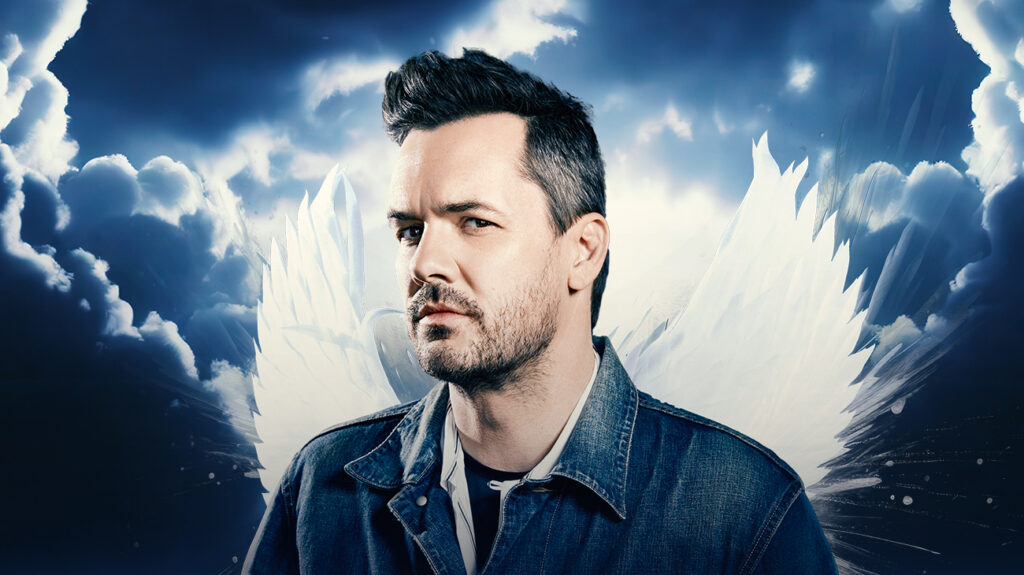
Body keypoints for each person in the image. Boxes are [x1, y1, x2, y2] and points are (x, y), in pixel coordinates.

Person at [243, 49, 838, 574]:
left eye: (474, 222)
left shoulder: (742, 509)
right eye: (409, 230)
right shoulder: (322, 491)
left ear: (582, 252)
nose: (426, 264)